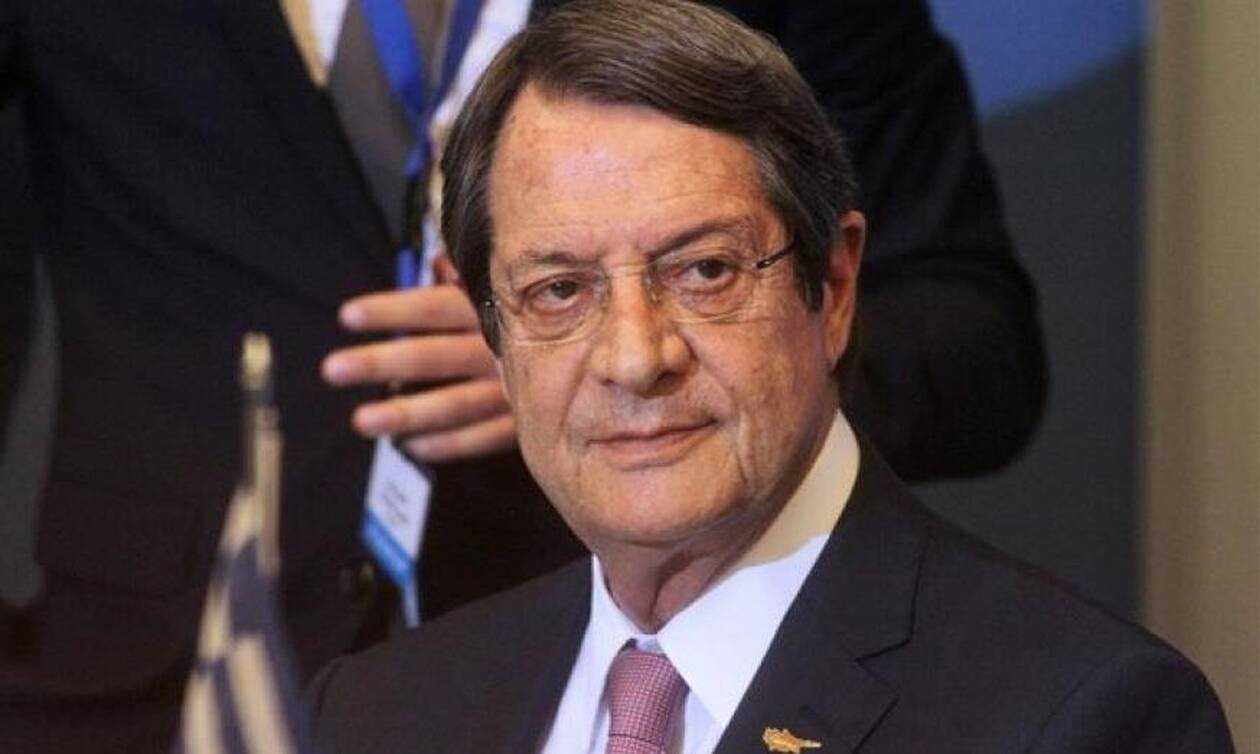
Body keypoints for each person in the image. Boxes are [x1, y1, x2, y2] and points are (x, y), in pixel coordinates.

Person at [0, 1, 1042, 753]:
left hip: (614, 678)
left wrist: (603, 360)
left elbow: (976, 344)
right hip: (144, 677)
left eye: (707, 267)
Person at [307, 3, 1232, 751]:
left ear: (833, 289)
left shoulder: (1090, 719)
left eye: (704, 271)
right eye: (559, 290)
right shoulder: (374, 714)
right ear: (494, 334)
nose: (635, 357)